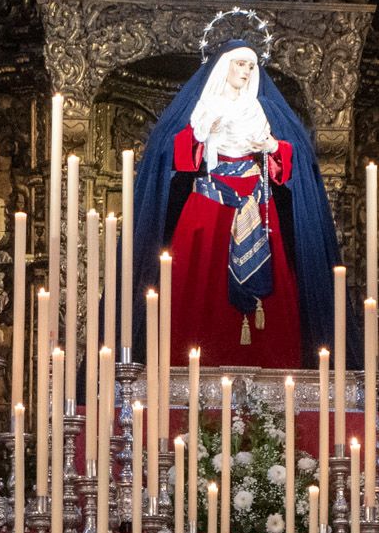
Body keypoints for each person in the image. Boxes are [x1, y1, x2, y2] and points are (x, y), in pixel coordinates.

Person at [132, 40, 343, 370]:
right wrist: (201, 135)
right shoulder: (203, 107)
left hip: (257, 206)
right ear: (223, 66)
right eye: (240, 64)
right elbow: (175, 157)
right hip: (209, 205)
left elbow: (290, 157)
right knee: (198, 284)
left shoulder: (261, 110)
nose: (245, 71)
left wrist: (273, 145)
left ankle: (270, 372)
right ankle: (188, 366)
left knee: (272, 291)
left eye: (250, 66)